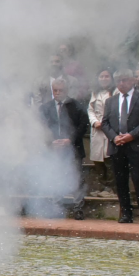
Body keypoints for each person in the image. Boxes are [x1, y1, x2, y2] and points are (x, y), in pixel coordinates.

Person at [102, 70, 139, 225]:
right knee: (120, 180)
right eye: (118, 80)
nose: (121, 83)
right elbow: (105, 122)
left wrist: (131, 135)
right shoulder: (111, 101)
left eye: (124, 80)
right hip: (117, 145)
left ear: (133, 80)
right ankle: (126, 213)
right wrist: (114, 137)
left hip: (137, 145)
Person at [39, 78, 87, 220]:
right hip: (53, 149)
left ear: (67, 90)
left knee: (76, 178)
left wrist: (70, 139)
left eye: (61, 90)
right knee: (55, 176)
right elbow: (41, 127)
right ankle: (56, 207)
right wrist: (50, 141)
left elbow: (83, 126)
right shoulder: (45, 108)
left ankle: (78, 208)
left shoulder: (77, 106)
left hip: (73, 148)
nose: (58, 93)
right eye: (55, 90)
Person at [87, 70, 114, 183]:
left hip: (110, 128)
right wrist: (94, 121)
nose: (104, 79)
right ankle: (103, 186)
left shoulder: (116, 92)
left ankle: (112, 188)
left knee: (109, 159)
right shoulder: (95, 92)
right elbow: (90, 109)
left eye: (107, 76)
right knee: (98, 160)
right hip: (97, 129)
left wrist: (105, 122)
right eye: (101, 76)